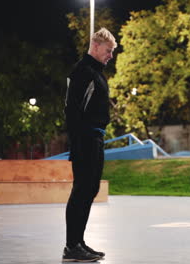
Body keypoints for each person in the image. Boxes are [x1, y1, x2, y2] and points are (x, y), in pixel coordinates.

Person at [63, 27, 117, 262]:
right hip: (85, 138)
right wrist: (78, 142)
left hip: (95, 137)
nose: (110, 55)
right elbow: (72, 110)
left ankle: (79, 242)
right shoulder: (83, 71)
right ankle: (71, 246)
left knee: (90, 190)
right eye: (108, 50)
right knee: (81, 190)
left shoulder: (96, 72)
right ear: (95, 47)